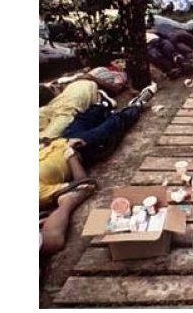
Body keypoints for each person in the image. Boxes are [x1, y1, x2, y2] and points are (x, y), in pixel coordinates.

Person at [39, 86, 154, 254]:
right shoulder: (39, 193)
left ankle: (104, 106)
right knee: (113, 125)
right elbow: (82, 184)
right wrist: (71, 154)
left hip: (60, 140)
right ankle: (136, 107)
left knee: (83, 118)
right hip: (80, 150)